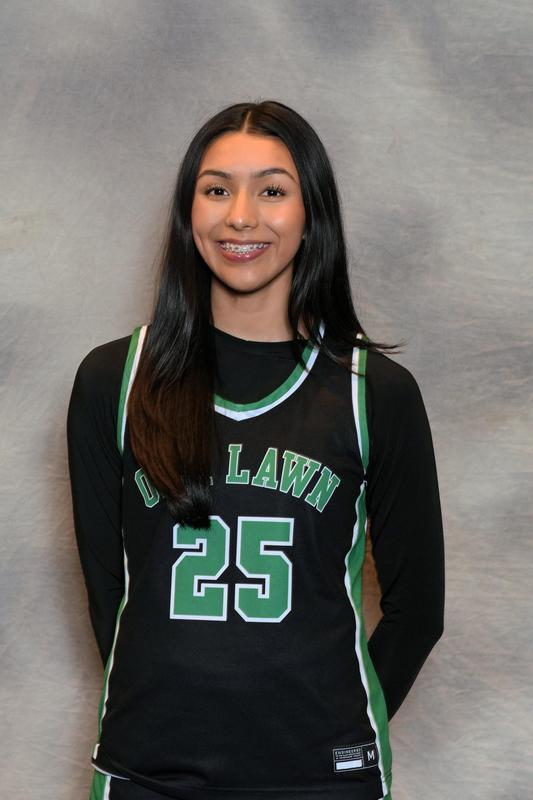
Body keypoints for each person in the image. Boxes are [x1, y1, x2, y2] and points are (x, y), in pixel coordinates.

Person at [66, 99, 445, 800]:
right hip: (147, 773)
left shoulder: (373, 394)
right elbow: (109, 595)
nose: (241, 215)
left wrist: (332, 727)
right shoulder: (111, 381)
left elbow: (418, 609)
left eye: (272, 190)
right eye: (216, 190)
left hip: (320, 780)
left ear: (312, 215)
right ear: (189, 213)